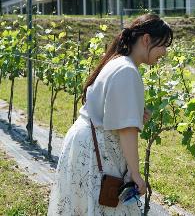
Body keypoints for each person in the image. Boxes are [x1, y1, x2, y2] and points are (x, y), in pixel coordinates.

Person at [47, 14, 173, 215]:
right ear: (147, 39)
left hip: (86, 145)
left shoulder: (117, 62)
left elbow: (110, 111)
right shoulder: (127, 70)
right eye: (164, 45)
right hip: (98, 150)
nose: (165, 52)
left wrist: (133, 113)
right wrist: (135, 173)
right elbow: (126, 130)